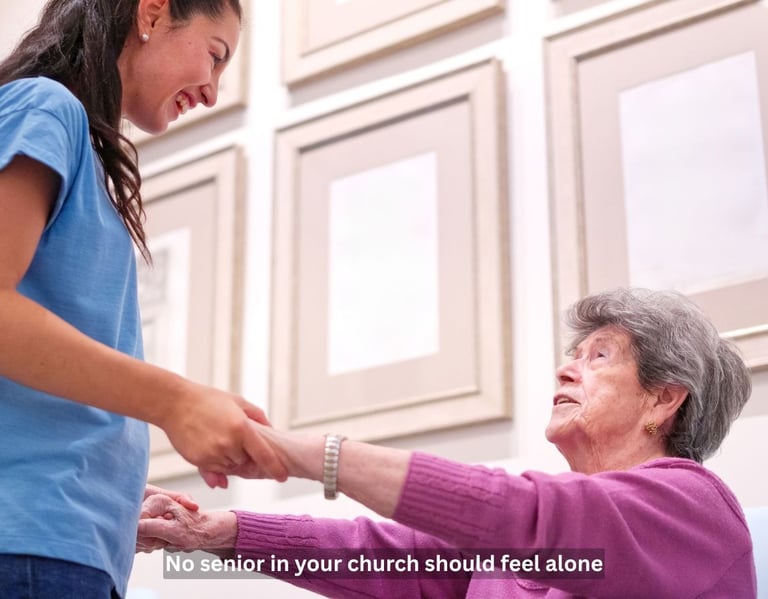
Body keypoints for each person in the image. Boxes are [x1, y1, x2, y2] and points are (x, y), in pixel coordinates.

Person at [138, 288, 758, 598]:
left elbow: (527, 515)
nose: (566, 370)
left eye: (599, 357)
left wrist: (304, 453)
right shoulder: (533, 535)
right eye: (573, 355)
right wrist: (216, 532)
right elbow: (390, 557)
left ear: (662, 399)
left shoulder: (691, 509)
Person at [0, 1, 286, 597]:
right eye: (215, 56)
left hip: (63, 544)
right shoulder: (45, 108)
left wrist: (107, 495)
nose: (212, 92)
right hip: (29, 547)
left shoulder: (76, 148)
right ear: (152, 14)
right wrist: (177, 402)